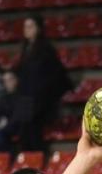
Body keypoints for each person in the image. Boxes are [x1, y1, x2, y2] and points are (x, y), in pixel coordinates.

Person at [14, 15, 74, 153]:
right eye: (25, 27)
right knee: (22, 130)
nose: (26, 30)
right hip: (25, 98)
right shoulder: (25, 49)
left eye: (30, 26)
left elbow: (54, 75)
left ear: (38, 29)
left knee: (34, 130)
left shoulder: (45, 49)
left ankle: (39, 158)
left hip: (40, 99)